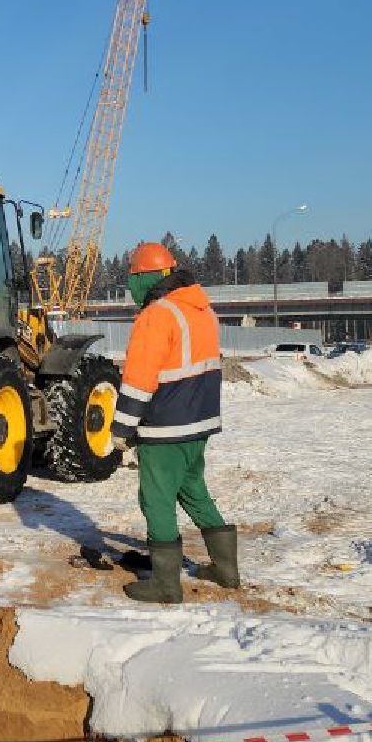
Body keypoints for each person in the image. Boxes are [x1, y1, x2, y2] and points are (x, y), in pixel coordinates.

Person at [112, 242, 234, 603]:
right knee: (192, 488)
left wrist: (122, 429)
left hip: (166, 426)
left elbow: (139, 378)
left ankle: (166, 584)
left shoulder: (156, 315)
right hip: (199, 423)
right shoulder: (202, 310)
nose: (131, 287)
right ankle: (226, 568)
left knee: (156, 498)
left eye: (132, 278)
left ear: (144, 277)